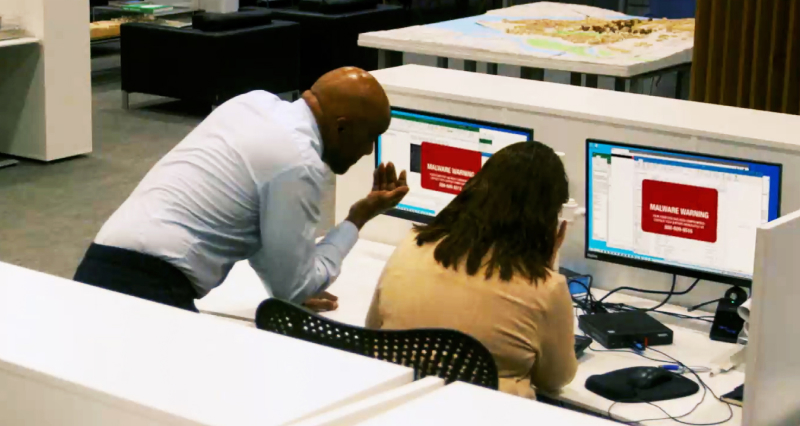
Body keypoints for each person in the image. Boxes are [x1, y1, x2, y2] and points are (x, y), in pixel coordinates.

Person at [74, 67, 409, 313]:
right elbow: (292, 287)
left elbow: (270, 247)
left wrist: (291, 280)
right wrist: (357, 219)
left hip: (100, 261)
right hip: (148, 287)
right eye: (369, 138)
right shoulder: (299, 162)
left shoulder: (253, 103)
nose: (368, 151)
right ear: (341, 128)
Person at [365, 141, 577, 399]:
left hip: (399, 411)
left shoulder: (411, 243)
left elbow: (373, 332)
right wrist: (545, 266)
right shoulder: (546, 289)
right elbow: (554, 380)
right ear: (546, 219)